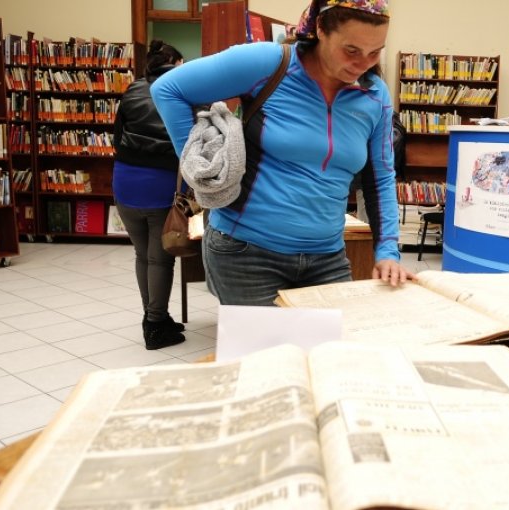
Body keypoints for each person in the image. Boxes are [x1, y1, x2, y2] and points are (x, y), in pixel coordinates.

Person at [152, 0, 412, 306]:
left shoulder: (374, 94)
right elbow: (167, 90)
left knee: (327, 353)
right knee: (261, 354)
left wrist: (387, 251)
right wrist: (200, 170)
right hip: (246, 253)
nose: (363, 63)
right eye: (351, 50)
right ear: (320, 30)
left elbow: (380, 177)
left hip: (327, 257)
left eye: (375, 52)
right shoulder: (270, 64)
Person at [112, 40, 186, 350]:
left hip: (125, 181)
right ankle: (156, 325)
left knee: (143, 256)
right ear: (174, 63)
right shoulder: (182, 91)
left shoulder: (132, 89)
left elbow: (117, 136)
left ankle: (153, 316)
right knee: (161, 260)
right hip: (161, 184)